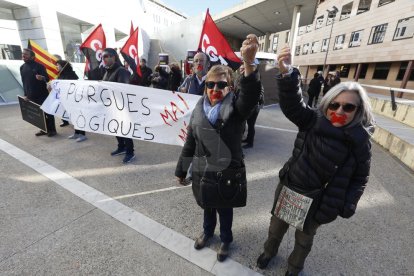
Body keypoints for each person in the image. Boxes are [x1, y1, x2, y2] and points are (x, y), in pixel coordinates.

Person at [256, 46, 374, 275]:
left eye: (348, 107)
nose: (340, 110)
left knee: (303, 241)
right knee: (275, 228)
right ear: (327, 104)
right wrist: (288, 73)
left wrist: (348, 203)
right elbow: (292, 106)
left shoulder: (359, 141)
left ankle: (294, 267)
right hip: (290, 187)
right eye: (335, 104)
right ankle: (269, 252)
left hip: (318, 200)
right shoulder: (312, 120)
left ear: (358, 111)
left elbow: (361, 177)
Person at [175, 34, 261, 262]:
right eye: (210, 84)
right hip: (204, 170)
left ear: (230, 87)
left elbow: (250, 97)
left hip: (226, 171)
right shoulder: (198, 109)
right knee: (207, 205)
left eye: (221, 84)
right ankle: (207, 232)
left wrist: (250, 65)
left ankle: (225, 239)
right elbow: (190, 142)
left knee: (225, 208)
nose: (215, 88)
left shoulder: (237, 107)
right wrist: (181, 170)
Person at [102, 48, 135, 164]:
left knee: (125, 130)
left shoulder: (121, 71)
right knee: (115, 128)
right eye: (103, 57)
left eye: (106, 56)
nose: (104, 59)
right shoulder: (107, 71)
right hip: (111, 106)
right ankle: (121, 147)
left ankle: (130, 152)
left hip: (121, 107)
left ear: (113, 57)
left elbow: (123, 89)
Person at [20, 48, 57, 137]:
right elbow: (24, 82)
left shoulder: (40, 66)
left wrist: (42, 78)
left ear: (32, 57)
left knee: (48, 113)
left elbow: (47, 79)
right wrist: (25, 95)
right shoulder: (22, 67)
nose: (23, 56)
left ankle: (52, 130)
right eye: (23, 54)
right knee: (38, 114)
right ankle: (44, 129)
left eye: (26, 54)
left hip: (42, 95)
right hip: (30, 95)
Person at [55, 60, 87, 142]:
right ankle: (76, 133)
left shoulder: (71, 74)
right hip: (66, 100)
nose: (56, 67)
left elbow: (73, 87)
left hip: (74, 99)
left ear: (63, 66)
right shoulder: (60, 74)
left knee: (78, 117)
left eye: (58, 65)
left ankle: (82, 134)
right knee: (73, 117)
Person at [239, 64, 265, 149]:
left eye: (243, 69)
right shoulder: (241, 79)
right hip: (246, 106)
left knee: (250, 125)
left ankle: (250, 143)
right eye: (240, 69)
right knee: (243, 123)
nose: (241, 70)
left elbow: (259, 94)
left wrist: (252, 101)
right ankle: (246, 139)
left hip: (254, 107)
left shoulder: (255, 81)